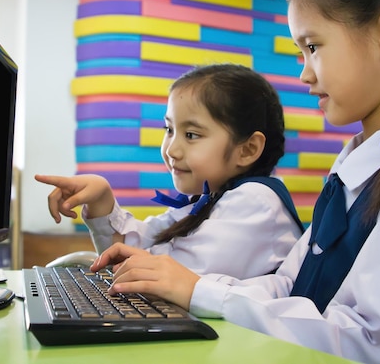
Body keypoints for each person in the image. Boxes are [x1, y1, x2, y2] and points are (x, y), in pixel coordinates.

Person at [88, 0, 380, 363]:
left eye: (313, 46)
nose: (304, 73)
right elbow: (288, 286)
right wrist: (187, 285)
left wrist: (199, 290)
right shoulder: (352, 167)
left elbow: (364, 342)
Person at [35, 63, 303, 279]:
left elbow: (162, 276)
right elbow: (134, 250)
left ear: (247, 149)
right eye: (169, 130)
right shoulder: (204, 202)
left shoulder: (255, 203)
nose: (172, 149)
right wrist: (101, 199)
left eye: (191, 134)